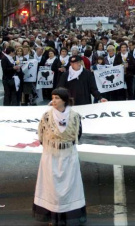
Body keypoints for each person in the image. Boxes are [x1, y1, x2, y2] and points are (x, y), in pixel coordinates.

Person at [33, 87, 87, 225]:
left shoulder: (74, 116)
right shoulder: (46, 116)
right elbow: (41, 136)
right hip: (51, 156)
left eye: (57, 98)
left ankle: (67, 217)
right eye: (53, 98)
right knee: (52, 188)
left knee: (69, 187)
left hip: (68, 156)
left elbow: (78, 135)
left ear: (64, 100)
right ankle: (53, 218)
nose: (54, 101)